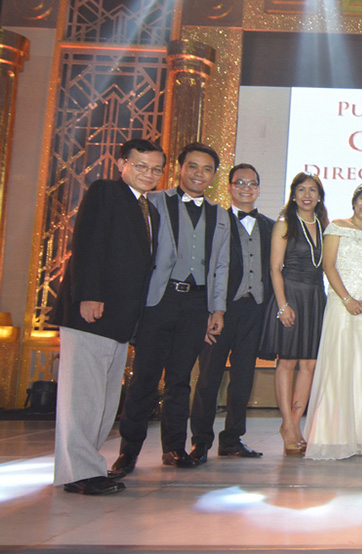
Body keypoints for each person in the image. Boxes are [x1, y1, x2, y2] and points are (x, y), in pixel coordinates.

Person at [113, 142, 230, 476]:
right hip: (159, 299)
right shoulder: (153, 202)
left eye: (206, 169)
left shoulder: (219, 214)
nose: (199, 174)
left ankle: (174, 449)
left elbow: (220, 265)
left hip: (197, 303)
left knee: (180, 380)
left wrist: (217, 309)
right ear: (179, 168)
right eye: (192, 166)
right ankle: (128, 452)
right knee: (145, 379)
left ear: (213, 175)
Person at [53, 138, 162, 494]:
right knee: (83, 397)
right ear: (122, 164)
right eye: (141, 166)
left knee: (102, 399)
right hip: (93, 311)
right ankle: (79, 472)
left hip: (120, 318)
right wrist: (89, 296)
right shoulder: (105, 192)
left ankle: (85, 467)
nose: (149, 174)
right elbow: (87, 245)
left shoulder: (150, 209)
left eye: (156, 168)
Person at [189, 163, 274, 462]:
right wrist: (212, 309)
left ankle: (232, 439)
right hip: (220, 310)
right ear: (229, 187)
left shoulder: (270, 226)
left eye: (252, 183)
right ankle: (200, 441)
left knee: (243, 378)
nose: (246, 188)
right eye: (240, 183)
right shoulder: (216, 220)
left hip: (254, 310)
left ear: (259, 188)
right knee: (209, 377)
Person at [303, 182, 362, 459]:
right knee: (338, 365)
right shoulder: (337, 227)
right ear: (354, 201)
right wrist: (347, 300)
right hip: (342, 305)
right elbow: (329, 266)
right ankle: (332, 435)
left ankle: (361, 436)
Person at [259, 173, 329, 456]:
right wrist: (282, 305)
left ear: (319, 196)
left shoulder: (324, 226)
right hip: (290, 295)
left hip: (314, 297)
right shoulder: (284, 224)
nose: (307, 195)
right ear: (293, 194)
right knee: (286, 362)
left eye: (312, 190)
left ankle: (297, 424)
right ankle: (287, 424)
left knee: (310, 364)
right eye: (301, 189)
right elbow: (275, 268)